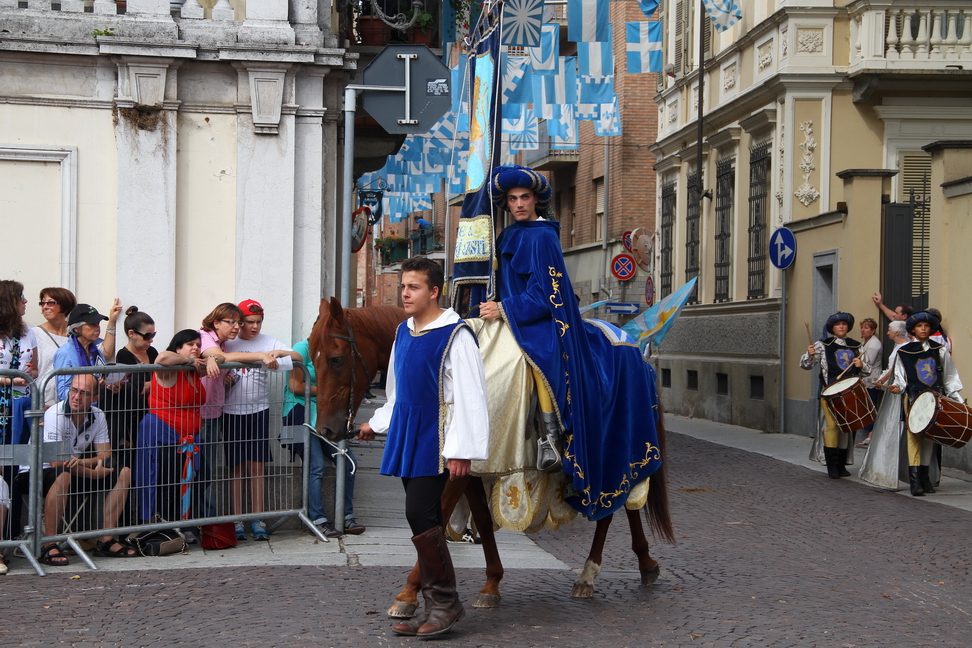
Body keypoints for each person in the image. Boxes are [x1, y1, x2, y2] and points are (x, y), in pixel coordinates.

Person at [475, 165, 664, 521]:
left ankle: (551, 439)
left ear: (535, 201)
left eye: (525, 198)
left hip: (542, 322)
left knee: (537, 361)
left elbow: (549, 294)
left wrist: (505, 308)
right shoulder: (505, 238)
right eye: (512, 199)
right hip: (509, 316)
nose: (518, 204)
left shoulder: (543, 236)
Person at [358, 257, 489, 638]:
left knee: (420, 513)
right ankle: (438, 604)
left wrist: (462, 449)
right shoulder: (403, 331)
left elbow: (470, 396)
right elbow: (397, 392)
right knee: (422, 518)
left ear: (434, 291)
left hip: (439, 436)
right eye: (403, 287)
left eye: (413, 287)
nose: (405, 293)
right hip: (409, 432)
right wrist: (377, 423)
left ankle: (445, 604)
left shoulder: (455, 334)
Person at [15, 374, 137, 565]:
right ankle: (49, 543)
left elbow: (106, 456)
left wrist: (82, 463)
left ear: (95, 398)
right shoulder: (55, 413)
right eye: (73, 390)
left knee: (124, 472)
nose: (76, 397)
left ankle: (106, 539)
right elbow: (57, 463)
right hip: (34, 473)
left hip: (73, 470)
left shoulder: (97, 414)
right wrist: (93, 471)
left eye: (84, 393)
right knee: (62, 475)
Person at [214, 300, 295, 541]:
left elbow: (296, 356)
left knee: (257, 467)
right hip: (230, 412)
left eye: (259, 322)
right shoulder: (229, 340)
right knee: (236, 468)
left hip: (258, 411)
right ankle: (237, 518)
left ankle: (258, 518)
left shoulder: (268, 341)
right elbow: (212, 353)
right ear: (239, 322)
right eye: (250, 322)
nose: (255, 327)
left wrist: (279, 352)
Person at [194, 303, 279, 525]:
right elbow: (218, 355)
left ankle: (214, 523)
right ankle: (203, 523)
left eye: (238, 322)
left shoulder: (221, 342)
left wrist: (225, 377)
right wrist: (259, 355)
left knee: (209, 472)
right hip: (200, 416)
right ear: (216, 323)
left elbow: (220, 358)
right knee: (200, 472)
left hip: (215, 413)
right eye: (232, 322)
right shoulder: (205, 337)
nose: (236, 327)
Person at [282, 331, 365, 538]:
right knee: (316, 465)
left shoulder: (331, 350)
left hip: (323, 415)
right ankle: (317, 519)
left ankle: (345, 516)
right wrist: (330, 390)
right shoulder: (302, 348)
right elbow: (295, 386)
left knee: (347, 462)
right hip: (299, 414)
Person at [135, 330, 209, 525]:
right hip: (163, 434)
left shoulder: (195, 369)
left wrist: (213, 359)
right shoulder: (169, 369)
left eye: (198, 345)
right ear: (178, 348)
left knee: (202, 478)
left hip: (189, 438)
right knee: (166, 484)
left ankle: (182, 523)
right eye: (190, 344)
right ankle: (166, 526)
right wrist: (188, 361)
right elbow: (162, 357)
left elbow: (218, 357)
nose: (196, 348)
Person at [891, 310, 963, 496]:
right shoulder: (904, 351)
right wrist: (897, 387)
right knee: (914, 437)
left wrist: (958, 401)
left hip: (934, 398)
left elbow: (949, 377)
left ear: (930, 329)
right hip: (914, 398)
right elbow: (901, 378)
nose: (923, 329)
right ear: (913, 330)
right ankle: (915, 481)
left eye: (926, 326)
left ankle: (925, 478)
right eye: (919, 326)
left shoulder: (939, 350)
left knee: (930, 437)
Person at [800, 312, 869, 479]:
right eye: (838, 324)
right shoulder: (822, 345)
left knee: (847, 427)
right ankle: (831, 465)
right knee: (832, 426)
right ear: (832, 328)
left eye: (844, 324)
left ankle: (841, 463)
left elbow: (866, 371)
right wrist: (809, 354)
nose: (841, 327)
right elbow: (806, 365)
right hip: (829, 392)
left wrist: (862, 365)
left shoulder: (856, 346)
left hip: (850, 392)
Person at [859, 320, 913, 490]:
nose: (887, 333)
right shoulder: (899, 347)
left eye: (890, 330)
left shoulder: (906, 347)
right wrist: (881, 379)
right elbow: (891, 368)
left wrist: (884, 379)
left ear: (897, 333)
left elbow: (897, 370)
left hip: (899, 391)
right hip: (892, 388)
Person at [103, 307, 159, 469]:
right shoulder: (124, 355)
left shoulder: (152, 352)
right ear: (131, 333)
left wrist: (151, 385)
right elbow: (137, 388)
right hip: (135, 414)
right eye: (147, 336)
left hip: (153, 410)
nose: (151, 340)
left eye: (153, 335)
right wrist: (157, 384)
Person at [52, 302, 121, 401]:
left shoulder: (95, 350)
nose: (97, 328)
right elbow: (63, 393)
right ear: (76, 329)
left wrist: (111, 386)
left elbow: (103, 379)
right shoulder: (64, 353)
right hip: (75, 412)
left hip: (96, 409)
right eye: (92, 324)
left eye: (98, 324)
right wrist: (93, 389)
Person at [32, 287, 77, 408]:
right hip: (43, 402)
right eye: (42, 303)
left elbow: (104, 352)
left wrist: (112, 323)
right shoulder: (34, 333)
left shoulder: (76, 333)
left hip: (72, 402)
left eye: (50, 303)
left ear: (64, 305)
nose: (45, 307)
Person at [857, 318, 883, 447]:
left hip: (871, 379)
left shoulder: (874, 344)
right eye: (862, 327)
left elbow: (868, 362)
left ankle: (872, 435)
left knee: (870, 406)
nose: (863, 330)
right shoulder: (864, 343)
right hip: (864, 380)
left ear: (873, 331)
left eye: (866, 328)